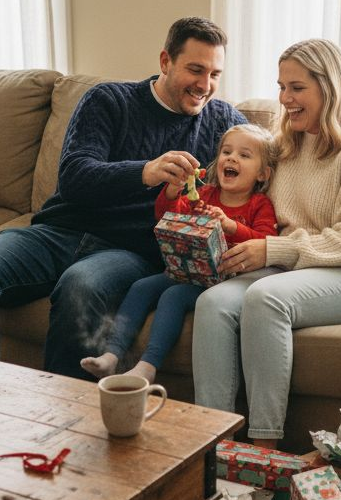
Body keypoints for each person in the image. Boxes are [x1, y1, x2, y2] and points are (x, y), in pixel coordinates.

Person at [0, 17, 248, 377]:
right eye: (195, 70)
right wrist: (144, 172)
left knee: (80, 286)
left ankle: (61, 418)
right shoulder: (109, 100)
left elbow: (267, 159)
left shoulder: (221, 120)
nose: (205, 85)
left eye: (215, 74)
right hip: (59, 232)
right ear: (165, 62)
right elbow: (73, 176)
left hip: (131, 251)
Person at [192, 38, 341, 449]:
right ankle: (213, 447)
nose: (285, 99)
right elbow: (233, 183)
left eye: (296, 88)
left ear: (329, 87)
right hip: (293, 267)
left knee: (266, 299)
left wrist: (272, 251)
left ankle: (263, 448)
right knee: (213, 303)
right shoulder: (286, 144)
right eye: (281, 86)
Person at [81, 123, 279, 383]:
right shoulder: (205, 194)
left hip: (222, 280)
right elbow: (167, 215)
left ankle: (148, 366)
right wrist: (173, 191)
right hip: (185, 270)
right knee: (141, 287)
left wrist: (231, 226)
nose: (231, 158)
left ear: (263, 174)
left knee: (173, 296)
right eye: (226, 152)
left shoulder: (259, 204)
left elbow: (267, 241)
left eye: (244, 155)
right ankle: (112, 355)